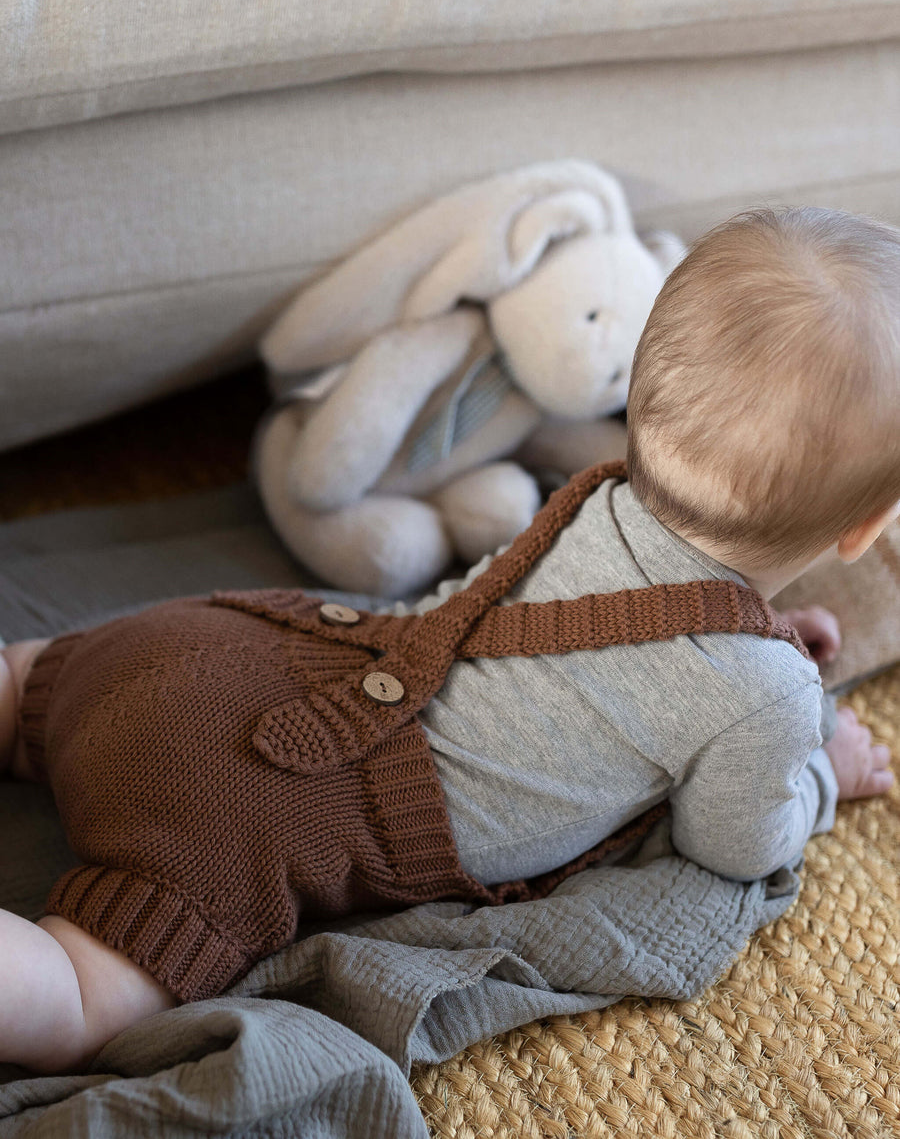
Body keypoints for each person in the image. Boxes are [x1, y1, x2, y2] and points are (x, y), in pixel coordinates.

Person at [1, 205, 897, 1075]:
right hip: (256, 811)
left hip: (221, 655)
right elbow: (734, 847)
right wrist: (820, 770)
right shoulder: (768, 697)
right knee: (83, 1002)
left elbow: (622, 640)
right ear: (866, 527)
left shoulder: (590, 498)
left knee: (22, 689)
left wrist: (770, 649)